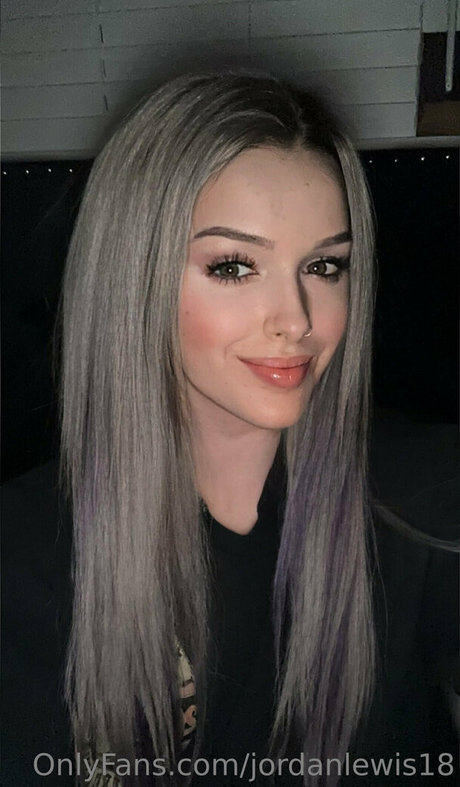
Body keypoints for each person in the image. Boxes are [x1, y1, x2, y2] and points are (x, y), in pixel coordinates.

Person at [3, 71, 458, 787]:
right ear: (135, 280)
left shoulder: (422, 499)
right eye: (235, 266)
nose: (297, 319)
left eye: (325, 265)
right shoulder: (26, 555)